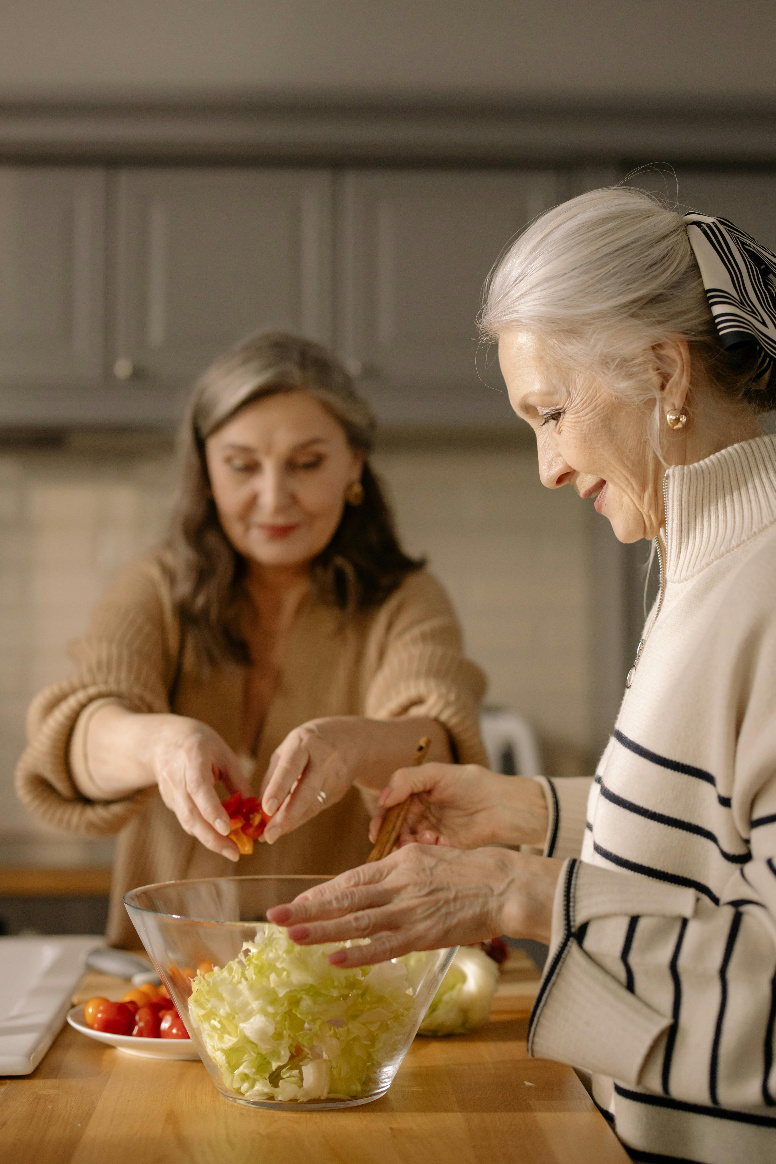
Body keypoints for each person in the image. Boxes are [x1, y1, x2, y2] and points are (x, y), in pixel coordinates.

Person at [267, 190, 776, 1164]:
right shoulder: (702, 561)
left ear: (664, 371)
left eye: (550, 413)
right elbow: (718, 843)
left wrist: (516, 894)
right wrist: (528, 813)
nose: (545, 467)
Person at [15, 330, 486, 948]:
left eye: (307, 463)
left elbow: (441, 743)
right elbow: (76, 743)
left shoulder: (407, 600)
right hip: (169, 983)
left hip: (342, 975)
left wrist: (356, 744)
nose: (273, 497)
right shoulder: (155, 588)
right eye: (242, 465)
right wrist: (161, 744)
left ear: (354, 465)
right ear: (206, 469)